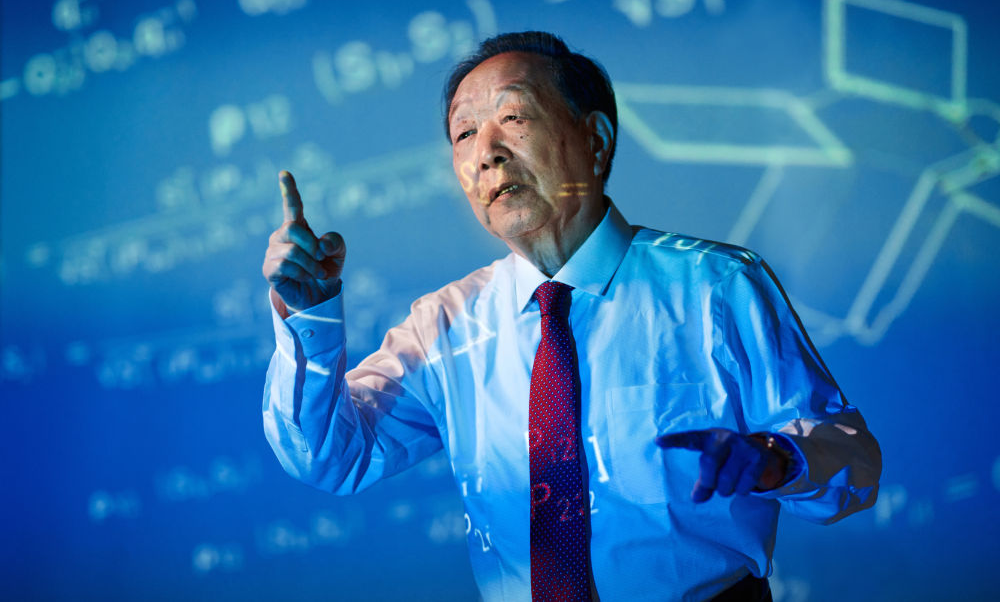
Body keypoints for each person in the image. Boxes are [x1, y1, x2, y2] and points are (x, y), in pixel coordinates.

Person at [261, 31, 881, 601]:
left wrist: (775, 458)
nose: (487, 153)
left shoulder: (715, 286)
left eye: (513, 117)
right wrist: (311, 314)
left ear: (596, 139)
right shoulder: (445, 325)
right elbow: (329, 455)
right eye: (464, 134)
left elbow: (851, 460)